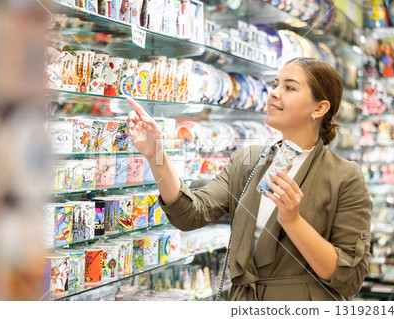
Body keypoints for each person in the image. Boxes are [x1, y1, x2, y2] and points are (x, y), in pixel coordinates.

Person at [126, 57, 372, 301]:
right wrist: (155, 152)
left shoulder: (345, 176)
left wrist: (293, 221)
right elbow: (191, 213)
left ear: (319, 108)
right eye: (275, 84)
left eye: (289, 87)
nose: (274, 93)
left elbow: (348, 276)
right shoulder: (247, 161)